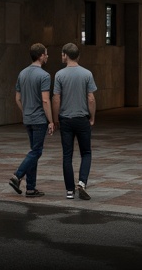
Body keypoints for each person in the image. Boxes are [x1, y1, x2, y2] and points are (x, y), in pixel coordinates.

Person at [8, 42, 54, 198]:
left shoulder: (22, 73)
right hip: (39, 119)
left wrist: (25, 112)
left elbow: (17, 98)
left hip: (27, 119)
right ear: (41, 56)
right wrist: (51, 121)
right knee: (36, 151)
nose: (47, 56)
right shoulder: (44, 76)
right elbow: (46, 100)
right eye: (46, 54)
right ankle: (17, 175)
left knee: (34, 151)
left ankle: (30, 188)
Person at [52, 42, 96, 200]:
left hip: (66, 120)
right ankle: (82, 183)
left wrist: (55, 119)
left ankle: (69, 190)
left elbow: (56, 98)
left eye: (62, 54)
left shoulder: (59, 75)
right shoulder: (87, 74)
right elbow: (90, 98)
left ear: (65, 55)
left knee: (67, 155)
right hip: (82, 119)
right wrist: (92, 117)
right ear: (78, 56)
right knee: (86, 152)